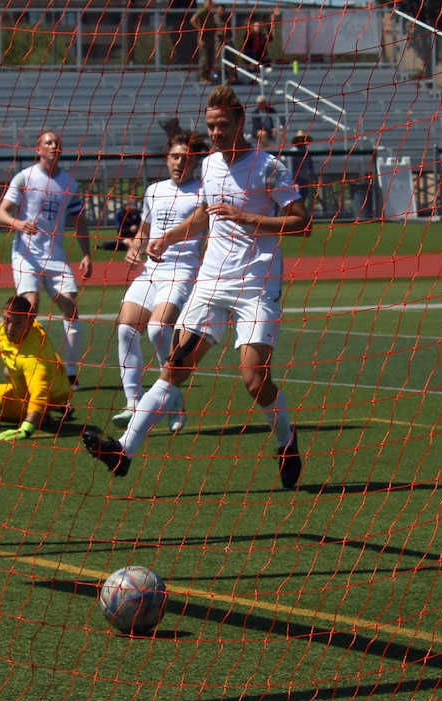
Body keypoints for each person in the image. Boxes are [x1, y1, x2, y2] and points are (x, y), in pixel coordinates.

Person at [82, 85, 311, 489]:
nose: (217, 133)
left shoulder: (268, 167)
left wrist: (244, 216)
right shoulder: (209, 165)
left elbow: (301, 223)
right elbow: (206, 215)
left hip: (256, 286)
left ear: (241, 123)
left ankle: (287, 441)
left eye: (223, 125)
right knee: (175, 366)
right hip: (209, 283)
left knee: (254, 381)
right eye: (211, 126)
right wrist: (167, 237)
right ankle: (123, 452)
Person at [112, 129, 211, 433]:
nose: (180, 162)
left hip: (181, 271)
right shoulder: (154, 190)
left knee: (157, 328)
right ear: (166, 158)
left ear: (195, 161)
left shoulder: (203, 193)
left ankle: (170, 390)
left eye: (186, 157)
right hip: (150, 272)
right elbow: (144, 232)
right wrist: (134, 248)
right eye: (175, 156)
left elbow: (206, 233)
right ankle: (133, 401)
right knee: (126, 329)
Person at [0, 129, 93, 388]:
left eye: (57, 143)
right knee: (30, 306)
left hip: (55, 257)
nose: (53, 147)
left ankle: (71, 375)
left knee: (70, 308)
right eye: (48, 143)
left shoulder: (70, 184)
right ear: (38, 149)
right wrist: (18, 223)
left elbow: (79, 221)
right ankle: (24, 363)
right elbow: (1, 213)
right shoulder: (24, 177)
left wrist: (86, 254)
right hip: (26, 255)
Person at [0, 295, 74, 442]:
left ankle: (41, 414)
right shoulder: (3, 330)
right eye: (6, 320)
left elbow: (40, 392)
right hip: (54, 381)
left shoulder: (34, 356)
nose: (10, 328)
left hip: (46, 394)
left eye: (18, 323)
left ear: (30, 322)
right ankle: (57, 407)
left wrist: (27, 427)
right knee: (7, 371)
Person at [191, 0, 226, 84]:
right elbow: (193, 19)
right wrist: (200, 29)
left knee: (210, 58)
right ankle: (203, 77)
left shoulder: (210, 13)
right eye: (208, 3)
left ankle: (208, 77)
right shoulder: (202, 11)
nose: (209, 5)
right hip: (204, 38)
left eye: (210, 3)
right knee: (204, 58)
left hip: (210, 37)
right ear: (204, 4)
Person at [289, 130, 315, 207]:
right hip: (296, 179)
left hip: (305, 178)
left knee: (303, 196)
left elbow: (310, 164)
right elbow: (291, 167)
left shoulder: (307, 151)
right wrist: (292, 180)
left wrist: (314, 175)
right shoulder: (293, 152)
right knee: (297, 198)